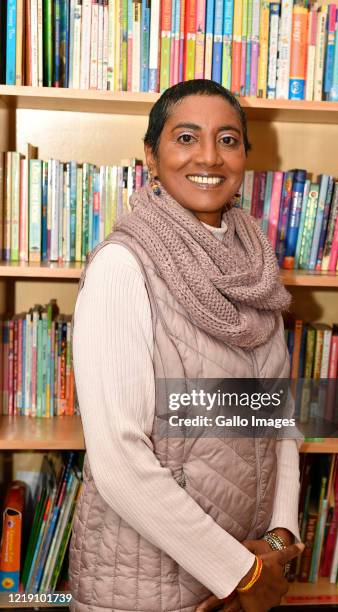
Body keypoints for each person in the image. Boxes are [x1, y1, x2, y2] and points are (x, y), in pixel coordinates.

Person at [69, 79, 304, 612]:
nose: (209, 157)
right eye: (186, 138)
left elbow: (273, 417)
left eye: (227, 140)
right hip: (147, 587)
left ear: (245, 155)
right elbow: (119, 461)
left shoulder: (256, 268)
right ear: (150, 155)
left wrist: (278, 541)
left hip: (245, 570)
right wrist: (239, 573)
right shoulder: (121, 268)